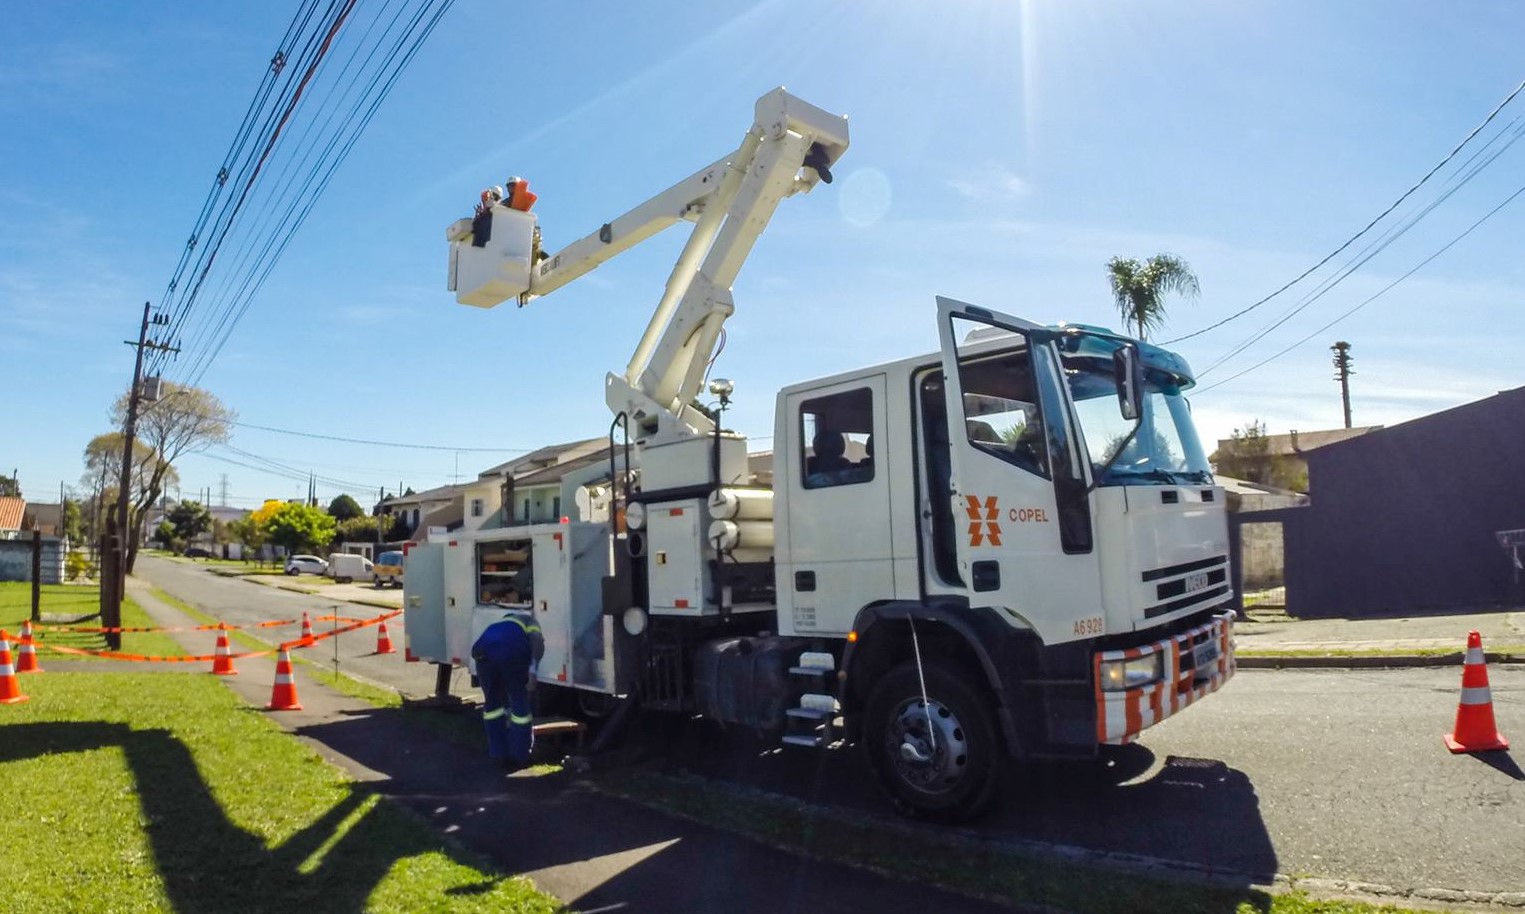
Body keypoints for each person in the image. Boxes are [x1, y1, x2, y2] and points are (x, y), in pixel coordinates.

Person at [471, 607, 544, 771]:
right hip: (511, 653)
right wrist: (533, 672)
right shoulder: (530, 621)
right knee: (519, 701)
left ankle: (498, 754)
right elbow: (537, 643)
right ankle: (521, 756)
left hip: (482, 653)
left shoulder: (500, 623)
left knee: (492, 705)